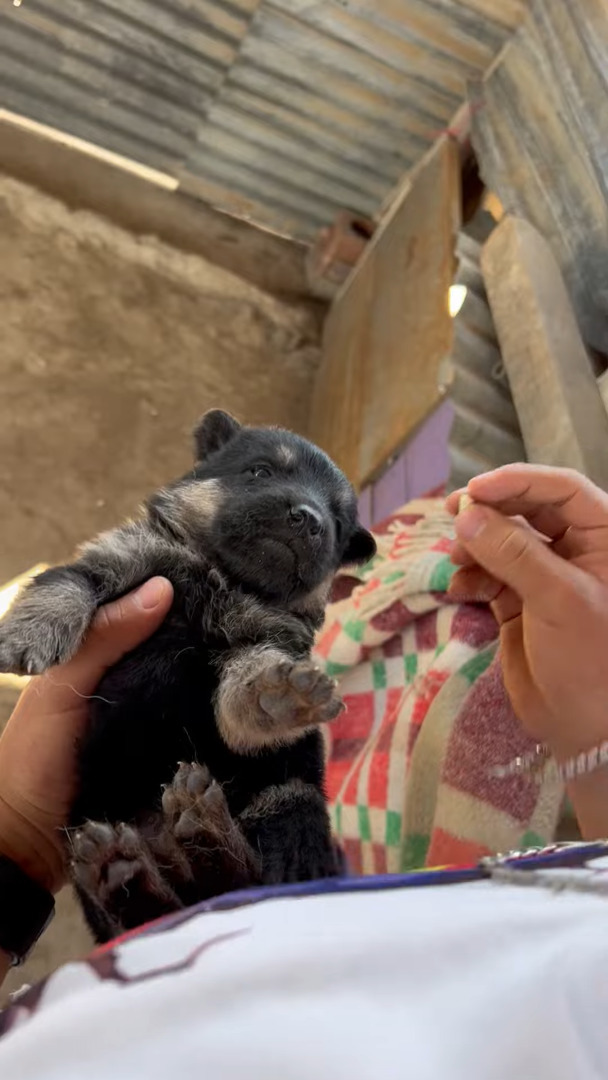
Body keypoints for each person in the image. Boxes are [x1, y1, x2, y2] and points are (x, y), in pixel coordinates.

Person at [2, 463, 608, 1078]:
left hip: (187, 986)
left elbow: (245, 709)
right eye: (260, 470)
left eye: (332, 519)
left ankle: (202, 888)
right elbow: (87, 579)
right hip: (201, 936)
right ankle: (204, 892)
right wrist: (596, 738)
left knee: (272, 775)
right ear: (210, 467)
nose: (304, 513)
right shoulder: (156, 548)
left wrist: (15, 833)